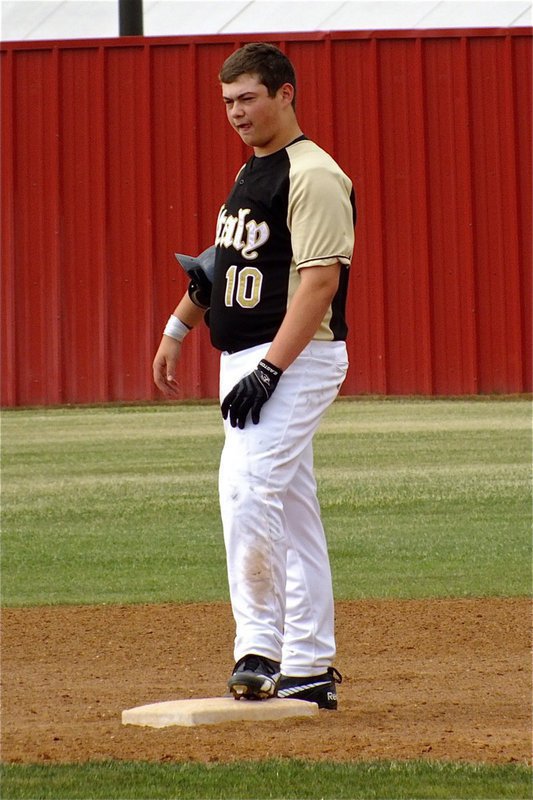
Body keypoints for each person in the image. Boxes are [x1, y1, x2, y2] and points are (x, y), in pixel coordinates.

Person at [153, 42, 356, 710]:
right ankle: (309, 665)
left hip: (295, 356)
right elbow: (221, 264)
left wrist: (271, 370)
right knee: (290, 509)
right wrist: (178, 328)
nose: (236, 113)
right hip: (247, 358)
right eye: (228, 102)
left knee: (246, 490)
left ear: (285, 93)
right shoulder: (252, 173)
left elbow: (320, 282)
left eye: (248, 98)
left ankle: (259, 649)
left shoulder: (312, 174)